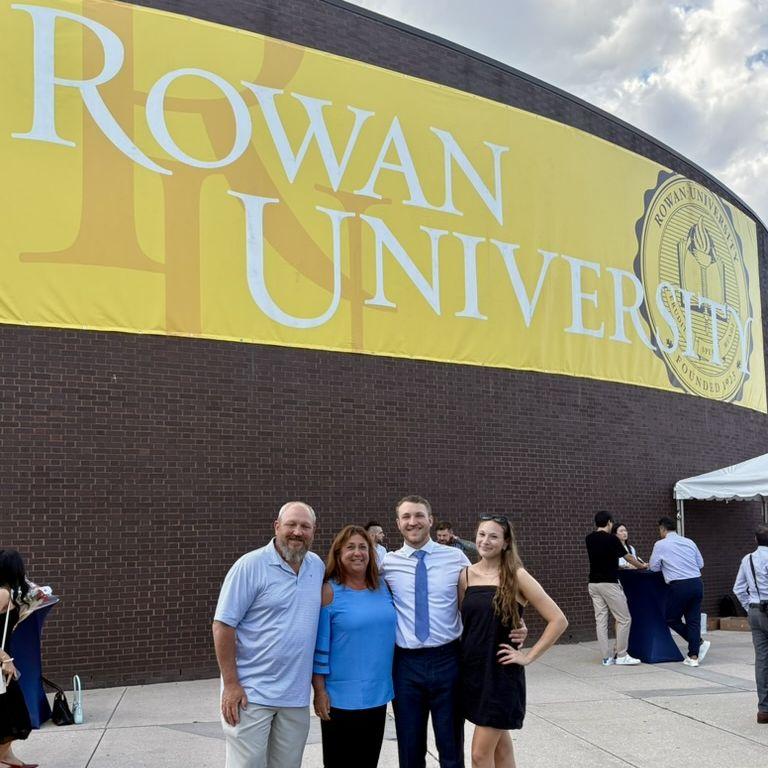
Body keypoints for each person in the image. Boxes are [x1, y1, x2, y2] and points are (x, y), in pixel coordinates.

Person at [380, 495, 526, 768]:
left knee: (451, 747)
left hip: (448, 660)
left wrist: (515, 622)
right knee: (410, 748)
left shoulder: (456, 558)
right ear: (398, 524)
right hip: (405, 666)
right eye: (407, 517)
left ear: (430, 520)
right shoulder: (387, 564)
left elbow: (478, 601)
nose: (413, 522)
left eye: (419, 516)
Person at [212, 501, 324, 768]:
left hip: (295, 697)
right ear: (277, 527)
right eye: (291, 525)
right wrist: (231, 685)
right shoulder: (250, 566)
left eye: (304, 526)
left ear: (313, 531)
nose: (297, 532)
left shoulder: (316, 566)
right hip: (251, 695)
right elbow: (223, 626)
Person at [459, 515, 568, 768]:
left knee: (478, 754)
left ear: (506, 542)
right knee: (501, 750)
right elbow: (467, 622)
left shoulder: (516, 576)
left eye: (493, 536)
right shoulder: (465, 575)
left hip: (501, 675)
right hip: (473, 672)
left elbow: (558, 620)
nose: (485, 541)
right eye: (482, 534)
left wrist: (528, 656)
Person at [312, 525, 397, 767]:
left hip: (378, 694)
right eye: (350, 547)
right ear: (338, 553)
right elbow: (320, 648)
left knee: (368, 762)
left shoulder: (383, 587)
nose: (357, 552)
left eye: (363, 547)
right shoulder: (329, 591)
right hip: (339, 698)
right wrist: (319, 692)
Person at [585, 511, 647, 666]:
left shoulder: (589, 538)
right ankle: (622, 654)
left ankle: (606, 658)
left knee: (601, 621)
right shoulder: (612, 539)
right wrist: (642, 566)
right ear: (609, 523)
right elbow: (628, 557)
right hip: (609, 583)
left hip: (593, 584)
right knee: (624, 618)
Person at [649, 516, 710, 667]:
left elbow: (653, 567)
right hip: (697, 583)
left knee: (671, 618)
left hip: (679, 585)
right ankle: (693, 656)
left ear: (663, 529)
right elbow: (700, 563)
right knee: (693, 621)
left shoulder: (660, 544)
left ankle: (698, 643)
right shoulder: (689, 541)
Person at [0, 549, 35, 768]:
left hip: (5, 661)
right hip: (2, 661)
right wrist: (5, 659)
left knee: (8, 712)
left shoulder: (10, 593)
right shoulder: (2, 593)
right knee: (15, 714)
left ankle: (7, 756)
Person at [732, 522, 768, 724]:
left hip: (756, 610)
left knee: (762, 661)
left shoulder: (748, 559)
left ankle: (764, 710)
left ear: (755, 540)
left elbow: (738, 588)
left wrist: (750, 607)